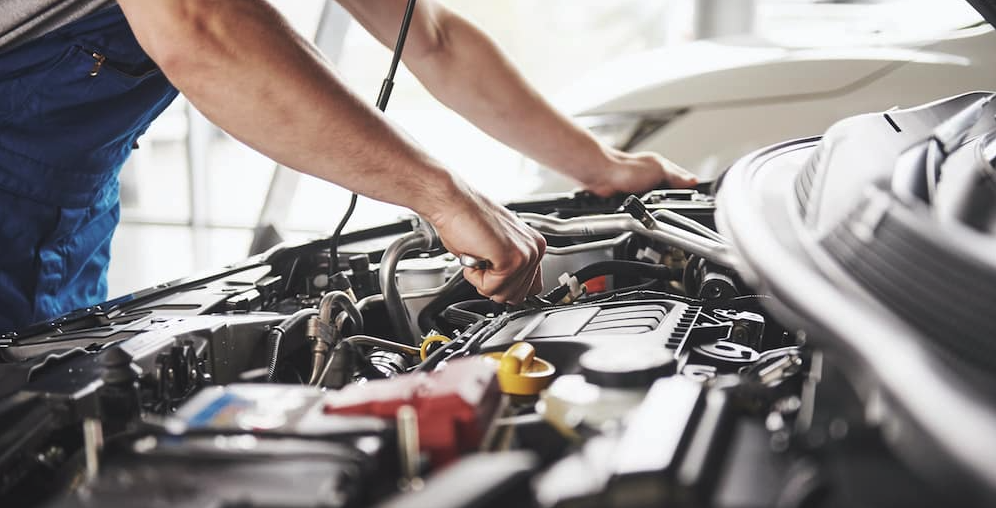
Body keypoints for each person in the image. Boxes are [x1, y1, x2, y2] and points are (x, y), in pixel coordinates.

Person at [0, 0, 696, 332]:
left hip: (63, 208)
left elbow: (432, 40)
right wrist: (443, 197)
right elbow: (199, 24)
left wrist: (603, 167)